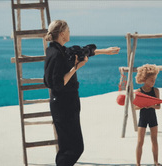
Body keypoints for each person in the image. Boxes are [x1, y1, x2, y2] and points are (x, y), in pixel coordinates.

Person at [43, 20, 120, 166]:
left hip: (66, 104)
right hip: (63, 105)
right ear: (62, 34)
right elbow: (57, 84)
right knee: (76, 148)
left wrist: (106, 51)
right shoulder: (57, 55)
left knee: (66, 148)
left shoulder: (60, 51)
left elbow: (83, 51)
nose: (70, 32)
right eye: (69, 29)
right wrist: (76, 67)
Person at [133, 64, 162, 166]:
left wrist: (152, 106)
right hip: (143, 118)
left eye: (154, 79)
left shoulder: (156, 91)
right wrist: (143, 106)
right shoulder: (138, 91)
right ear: (144, 79)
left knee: (154, 140)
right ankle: (138, 163)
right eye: (151, 79)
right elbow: (135, 107)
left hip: (153, 117)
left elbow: (159, 107)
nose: (153, 82)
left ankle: (155, 162)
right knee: (140, 141)